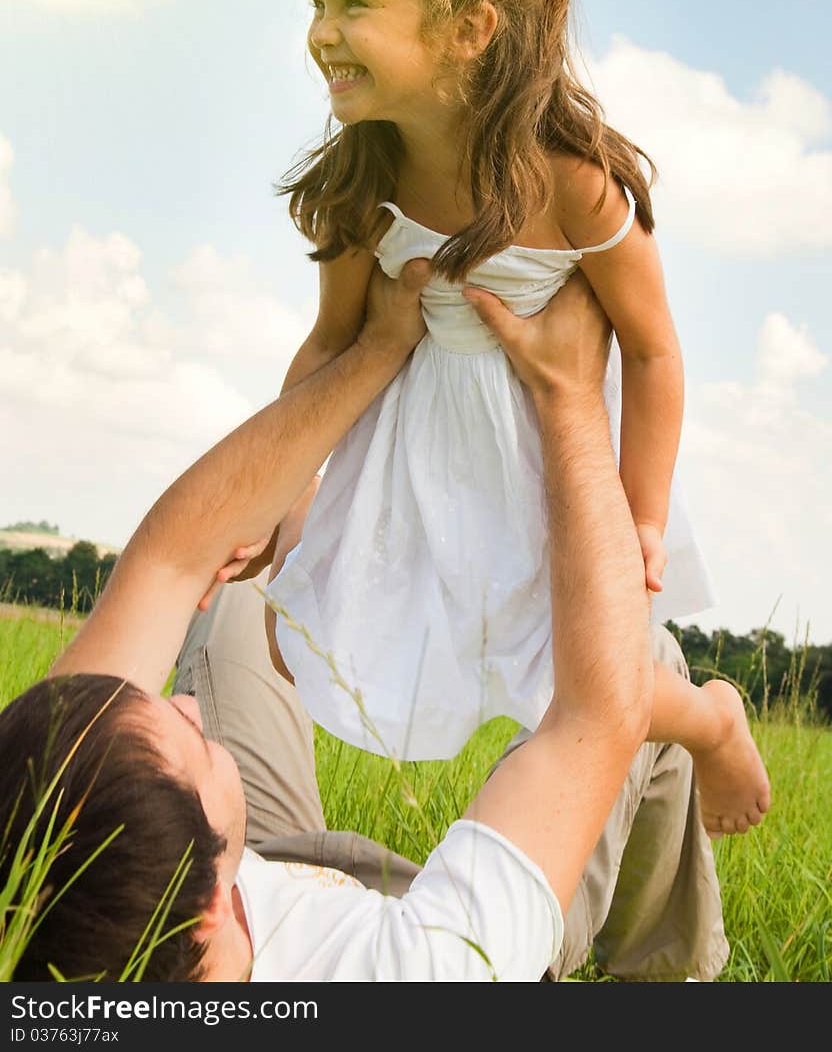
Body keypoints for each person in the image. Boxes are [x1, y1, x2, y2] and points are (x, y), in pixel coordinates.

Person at [0, 263, 730, 982]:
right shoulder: (432, 970)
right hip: (446, 924)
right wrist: (568, 392)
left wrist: (372, 348)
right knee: (649, 659)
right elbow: (596, 709)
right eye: (194, 742)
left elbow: (170, 562)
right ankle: (670, 970)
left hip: (266, 869)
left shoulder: (40, 860)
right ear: (205, 915)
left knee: (243, 593)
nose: (188, 704)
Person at [238, 0, 769, 838]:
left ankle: (708, 718)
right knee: (298, 633)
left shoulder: (571, 183)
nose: (320, 31)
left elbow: (651, 353)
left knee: (588, 668)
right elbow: (328, 342)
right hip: (413, 452)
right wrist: (275, 489)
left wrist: (643, 512)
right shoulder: (365, 179)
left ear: (468, 30)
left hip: (547, 456)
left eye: (352, 4)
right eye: (316, 0)